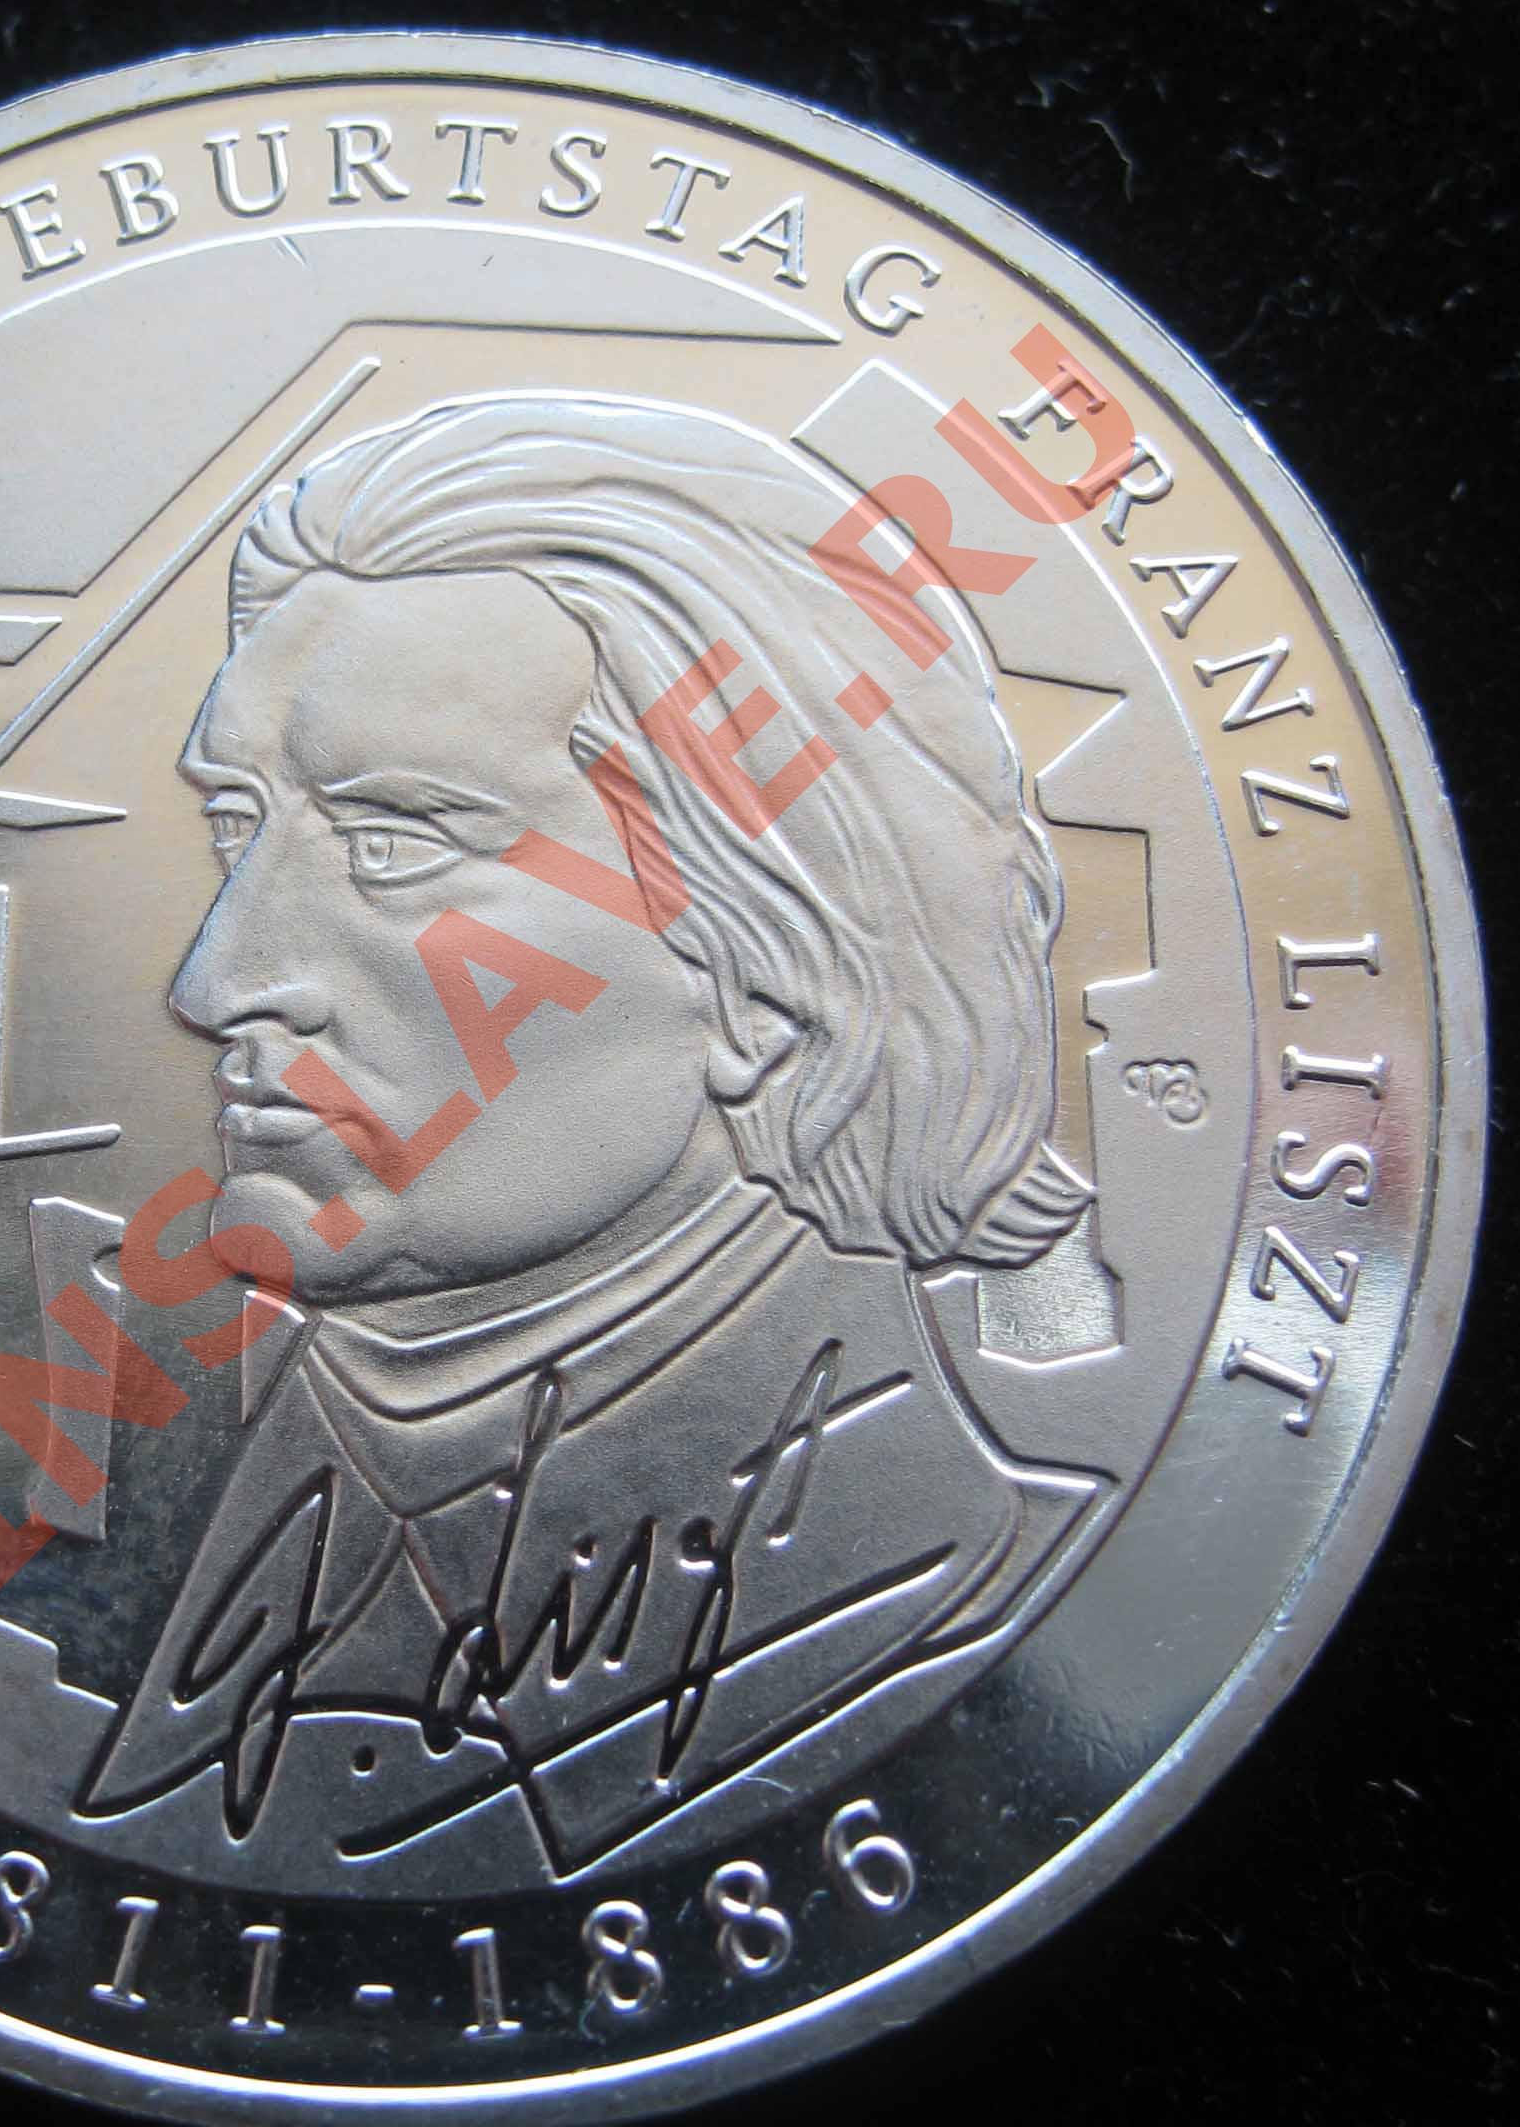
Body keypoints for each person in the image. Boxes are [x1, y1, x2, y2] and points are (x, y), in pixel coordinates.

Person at [81, 393, 1104, 1878]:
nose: (217, 978)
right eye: (239, 826)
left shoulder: (909, 1603)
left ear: (770, 973)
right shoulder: (277, 1493)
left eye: (394, 842)